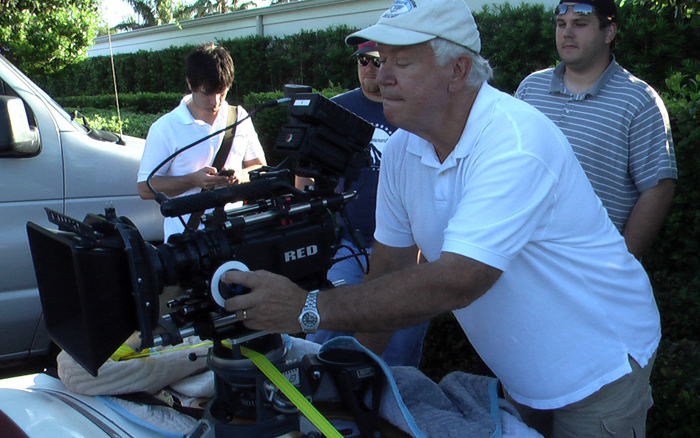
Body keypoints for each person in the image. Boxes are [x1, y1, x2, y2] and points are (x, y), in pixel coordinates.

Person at [222, 1, 660, 437]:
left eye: (403, 62)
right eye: (378, 59)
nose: (381, 74)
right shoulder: (401, 149)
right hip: (527, 371)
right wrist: (353, 370)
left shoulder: (514, 141)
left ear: (458, 70)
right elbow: (390, 266)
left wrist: (307, 309)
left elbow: (459, 279)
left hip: (602, 366)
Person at [516, 0, 677, 259]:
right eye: (561, 24)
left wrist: (620, 262)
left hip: (591, 266)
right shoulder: (530, 89)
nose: (567, 33)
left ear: (609, 32)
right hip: (523, 258)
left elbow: (658, 189)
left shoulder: (638, 101)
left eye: (580, 24)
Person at [303, 41, 430, 368]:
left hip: (411, 252)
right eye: (364, 61)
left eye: (378, 61)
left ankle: (388, 411)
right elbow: (305, 175)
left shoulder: (417, 109)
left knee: (396, 352)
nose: (372, 69)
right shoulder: (337, 110)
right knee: (321, 332)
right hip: (349, 244)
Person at [137, 43, 266, 240]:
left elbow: (259, 167)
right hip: (187, 240)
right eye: (207, 93)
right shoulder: (165, 128)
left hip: (236, 232)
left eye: (222, 92)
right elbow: (145, 188)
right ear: (190, 83)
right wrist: (192, 180)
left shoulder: (239, 117)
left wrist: (238, 176)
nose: (215, 102)